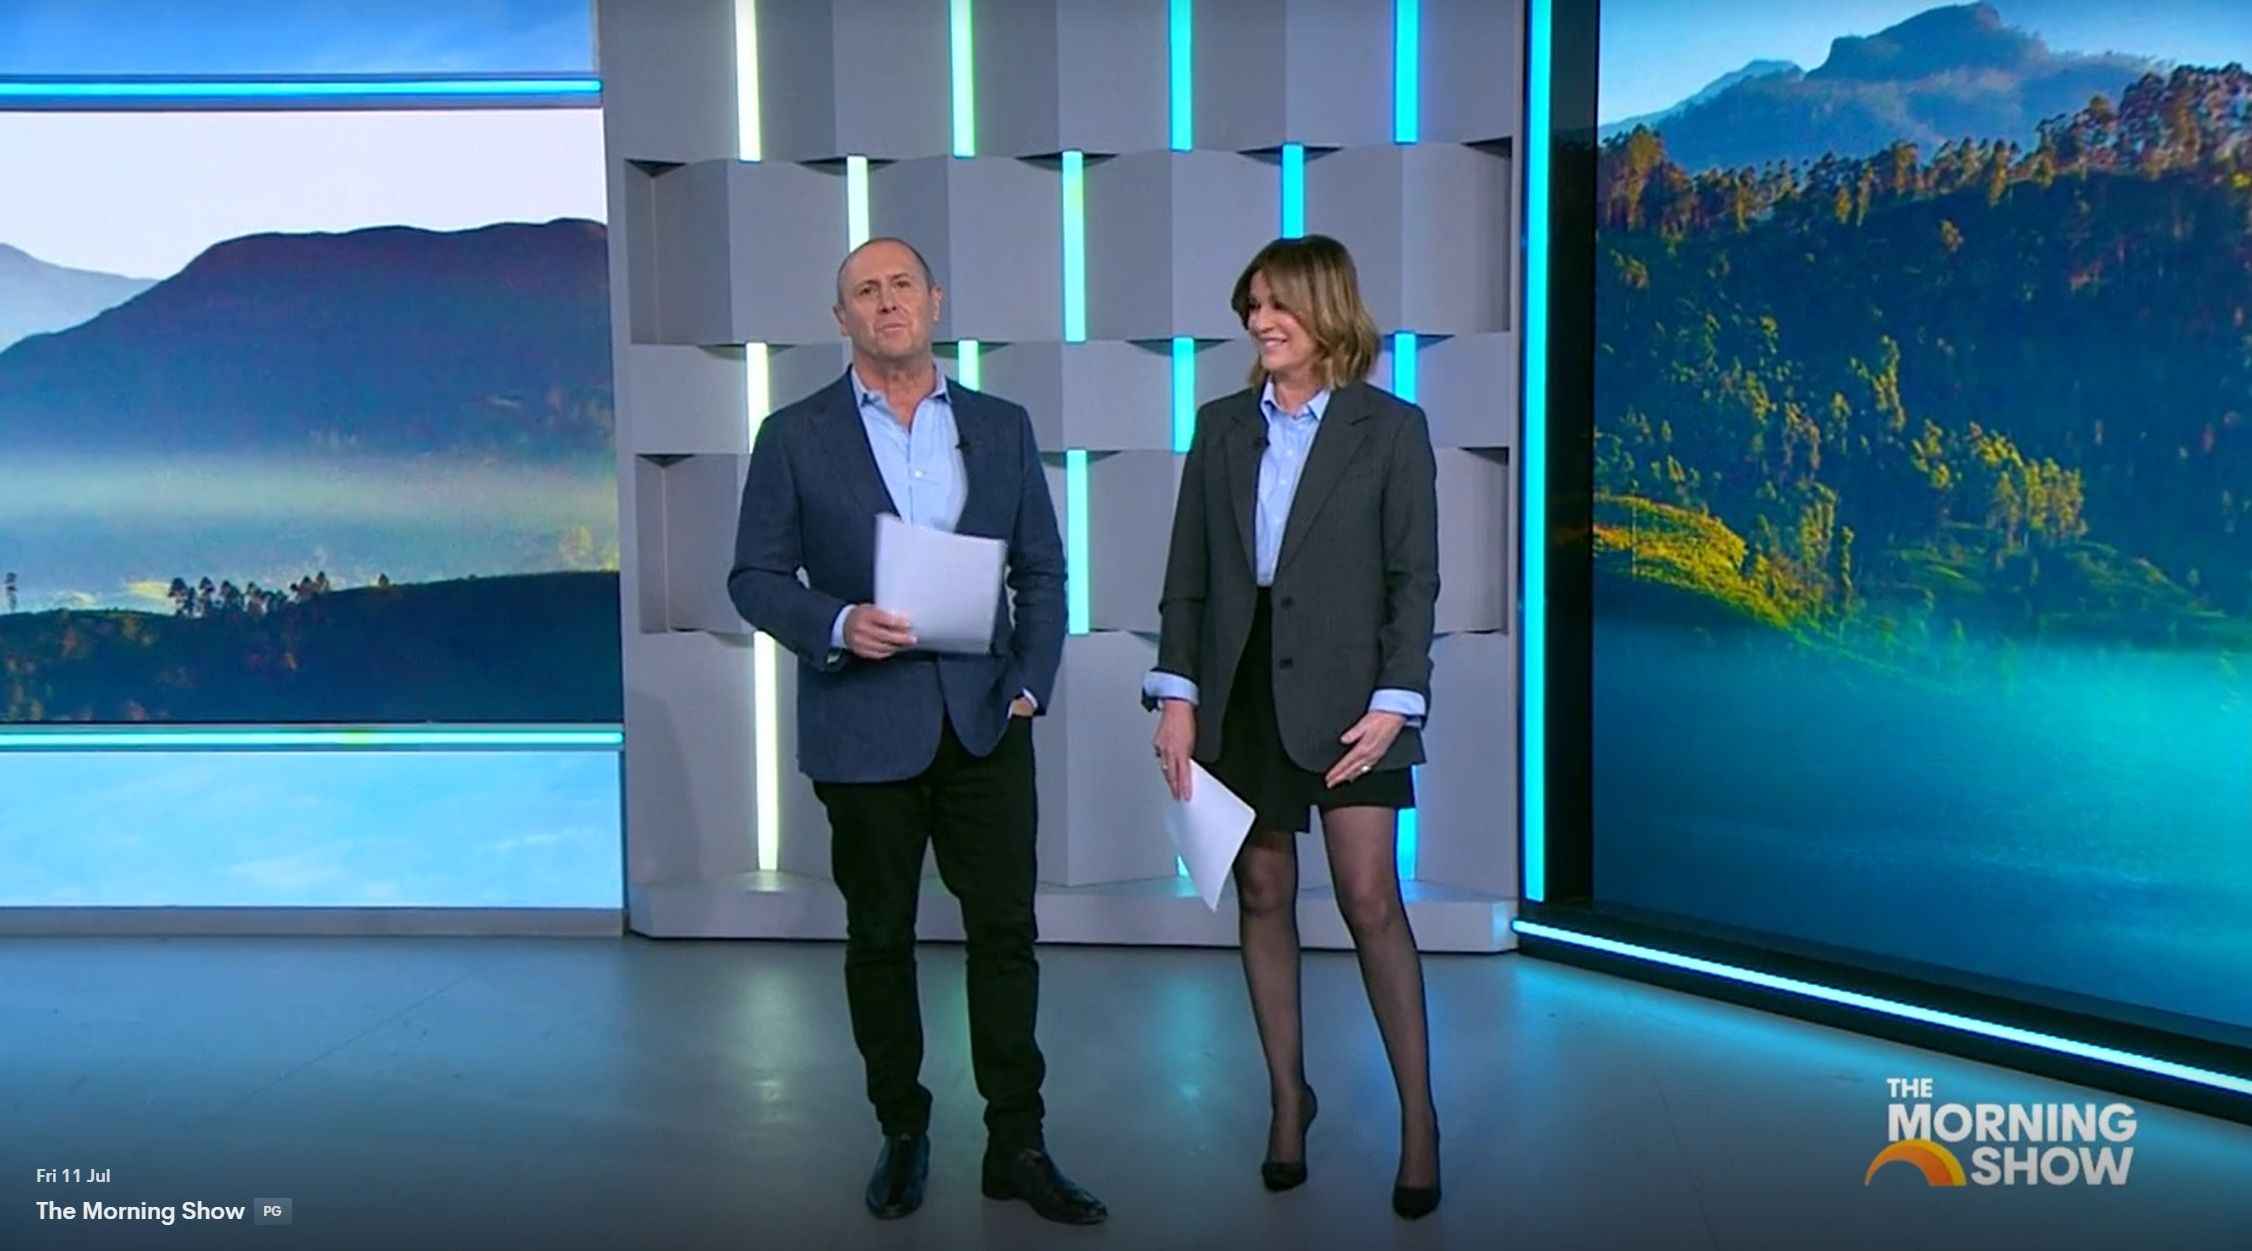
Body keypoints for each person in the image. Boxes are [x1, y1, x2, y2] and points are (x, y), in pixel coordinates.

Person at [728, 236, 1105, 1226]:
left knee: (1005, 934)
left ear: (934, 300)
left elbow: (1042, 570)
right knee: (879, 936)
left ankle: (1017, 1142)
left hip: (986, 720)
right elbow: (754, 576)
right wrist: (837, 624)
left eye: (901, 285)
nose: (886, 301)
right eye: (865, 290)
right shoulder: (793, 435)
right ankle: (902, 1128)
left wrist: (1030, 684)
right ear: (841, 318)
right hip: (862, 725)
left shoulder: (1001, 427)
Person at [1144, 233, 1444, 1219]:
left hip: (1356, 694)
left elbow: (1413, 579)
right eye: (1253, 304)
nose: (1259, 321)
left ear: (1327, 311)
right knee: (1263, 888)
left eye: (1278, 304)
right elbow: (1187, 576)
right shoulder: (1221, 427)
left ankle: (1418, 1120)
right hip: (1241, 682)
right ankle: (1288, 1101)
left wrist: (1395, 699)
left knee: (1368, 898)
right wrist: (1178, 698)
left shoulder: (1390, 428)